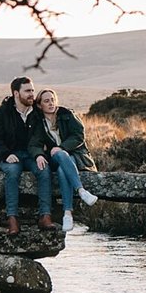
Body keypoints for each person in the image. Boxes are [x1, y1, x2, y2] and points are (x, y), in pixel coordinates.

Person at [0, 76, 53, 235]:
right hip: (10, 155)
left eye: (32, 90)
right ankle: (13, 220)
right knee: (13, 172)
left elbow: (42, 136)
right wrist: (6, 154)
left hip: (32, 154)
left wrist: (39, 154)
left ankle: (45, 216)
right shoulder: (3, 112)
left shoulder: (37, 112)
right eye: (28, 91)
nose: (32, 94)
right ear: (16, 93)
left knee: (44, 171)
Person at [31, 88, 99, 231]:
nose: (51, 103)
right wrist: (38, 155)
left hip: (76, 156)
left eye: (53, 100)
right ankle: (81, 190)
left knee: (63, 170)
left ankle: (67, 214)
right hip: (55, 158)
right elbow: (34, 143)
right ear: (39, 105)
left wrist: (62, 147)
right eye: (46, 101)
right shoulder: (38, 122)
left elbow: (78, 136)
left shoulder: (67, 114)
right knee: (60, 156)